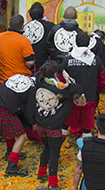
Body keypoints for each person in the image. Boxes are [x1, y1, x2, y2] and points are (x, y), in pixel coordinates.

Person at [34, 60, 83, 188]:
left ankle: (41, 173)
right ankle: (53, 183)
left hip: (40, 124)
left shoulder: (39, 80)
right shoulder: (61, 90)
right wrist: (67, 80)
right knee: (55, 153)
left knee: (47, 148)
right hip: (53, 126)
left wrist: (59, 70)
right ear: (56, 74)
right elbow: (77, 88)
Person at [0, 73, 36, 177]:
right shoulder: (33, 90)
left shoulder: (23, 78)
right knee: (22, 136)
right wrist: (33, 123)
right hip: (5, 105)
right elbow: (30, 111)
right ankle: (12, 166)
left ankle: (10, 151)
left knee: (9, 130)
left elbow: (6, 84)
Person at [62, 32, 105, 138]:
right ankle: (86, 150)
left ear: (76, 43)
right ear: (89, 43)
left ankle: (58, 146)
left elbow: (61, 78)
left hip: (71, 98)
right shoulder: (96, 59)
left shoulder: (67, 60)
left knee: (66, 123)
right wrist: (97, 90)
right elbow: (102, 78)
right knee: (87, 127)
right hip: (90, 98)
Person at [0, 14, 35, 85]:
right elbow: (30, 62)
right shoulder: (24, 41)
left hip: (1, 79)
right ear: (22, 27)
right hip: (20, 81)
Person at [23, 2, 55, 69]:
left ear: (30, 14)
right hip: (44, 65)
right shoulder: (50, 26)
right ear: (43, 13)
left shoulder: (25, 27)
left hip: (28, 64)